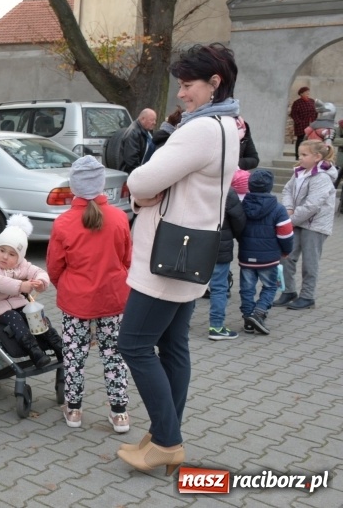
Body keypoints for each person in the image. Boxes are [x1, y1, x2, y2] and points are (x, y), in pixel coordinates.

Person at [116, 43, 239, 476]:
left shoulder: (200, 130)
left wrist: (145, 191)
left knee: (131, 343)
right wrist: (153, 190)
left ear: (214, 83)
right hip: (192, 253)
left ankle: (168, 440)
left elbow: (141, 178)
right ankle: (164, 432)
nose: (181, 93)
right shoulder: (228, 126)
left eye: (188, 85)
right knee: (172, 346)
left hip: (166, 258)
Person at [46, 156, 132, 432]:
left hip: (76, 301)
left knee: (74, 355)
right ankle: (119, 414)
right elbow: (127, 260)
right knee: (114, 355)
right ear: (102, 185)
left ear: (73, 187)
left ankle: (73, 411)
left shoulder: (63, 223)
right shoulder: (120, 218)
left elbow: (54, 266)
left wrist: (68, 288)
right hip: (113, 299)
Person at [0, 214, 63, 370]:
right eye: (2, 250)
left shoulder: (21, 265)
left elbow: (38, 271)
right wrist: (21, 286)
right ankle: (34, 351)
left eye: (12, 254)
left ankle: (57, 344)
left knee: (35, 315)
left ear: (19, 257)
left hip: (14, 302)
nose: (5, 257)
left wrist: (41, 282)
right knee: (15, 318)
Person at [273, 139, 337, 311]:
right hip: (297, 220)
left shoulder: (322, 177)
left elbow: (312, 205)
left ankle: (307, 296)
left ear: (317, 157)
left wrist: (289, 220)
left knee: (310, 262)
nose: (299, 158)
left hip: (315, 226)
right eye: (299, 154)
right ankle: (288, 291)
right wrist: (288, 209)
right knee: (286, 256)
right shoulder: (299, 172)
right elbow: (287, 190)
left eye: (304, 155)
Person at [237, 170, 294, 335]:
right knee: (270, 286)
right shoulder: (278, 209)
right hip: (269, 258)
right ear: (270, 187)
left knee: (247, 289)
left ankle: (248, 318)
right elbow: (286, 234)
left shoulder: (242, 206)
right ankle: (259, 312)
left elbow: (238, 228)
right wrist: (286, 250)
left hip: (246, 256)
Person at [207, 186, 247, 340]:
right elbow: (239, 220)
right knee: (218, 287)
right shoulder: (226, 191)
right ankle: (216, 327)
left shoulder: (193, 185)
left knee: (192, 286)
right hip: (219, 245)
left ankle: (181, 325)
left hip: (194, 244)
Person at [119, 108, 157, 173]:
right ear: (142, 119)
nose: (154, 123)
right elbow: (131, 158)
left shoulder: (147, 131)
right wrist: (139, 174)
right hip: (133, 174)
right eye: (152, 120)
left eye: (155, 120)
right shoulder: (133, 133)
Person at [290, 87, 316, 160]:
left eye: (308, 91)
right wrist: (298, 122)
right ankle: (298, 155)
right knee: (300, 140)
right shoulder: (297, 102)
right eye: (306, 92)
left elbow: (315, 111)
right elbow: (293, 114)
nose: (308, 93)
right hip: (301, 125)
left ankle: (309, 155)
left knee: (310, 140)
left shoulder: (312, 101)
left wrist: (315, 121)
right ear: (301, 94)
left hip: (311, 124)